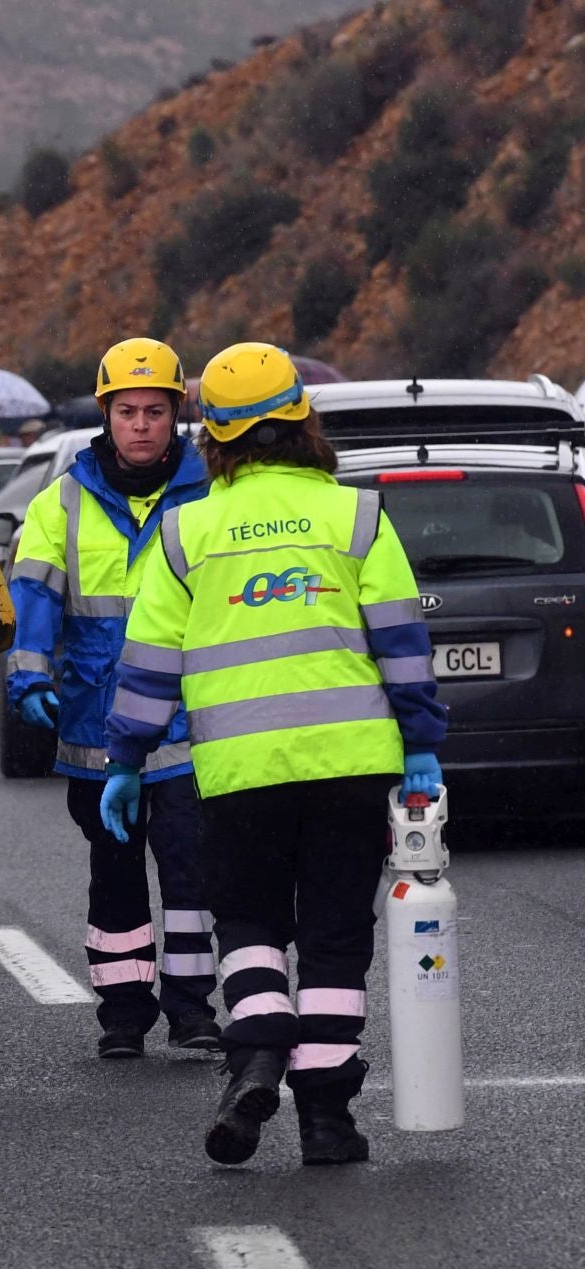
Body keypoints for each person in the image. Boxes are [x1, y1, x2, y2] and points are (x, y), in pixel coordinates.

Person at [104, 342, 446, 1168]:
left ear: (209, 433)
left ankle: (257, 1051)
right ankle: (327, 1121)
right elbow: (402, 643)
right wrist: (423, 746)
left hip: (237, 773)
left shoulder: (186, 531)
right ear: (303, 419)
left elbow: (149, 661)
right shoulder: (356, 516)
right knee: (333, 939)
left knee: (248, 922)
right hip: (349, 764)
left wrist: (126, 756)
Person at [7, 338, 220, 1059]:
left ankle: (193, 1011)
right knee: (116, 872)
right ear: (106, 414)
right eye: (126, 411)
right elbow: (35, 594)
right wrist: (29, 675)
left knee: (191, 866)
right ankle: (123, 1016)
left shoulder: (210, 495)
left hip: (191, 719)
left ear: (176, 414)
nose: (140, 425)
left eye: (154, 412)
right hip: (96, 720)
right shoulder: (60, 501)